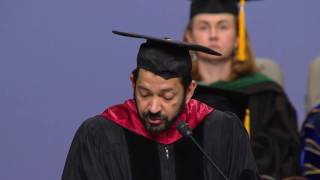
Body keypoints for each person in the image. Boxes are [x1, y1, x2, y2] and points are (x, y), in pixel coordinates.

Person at [61, 30, 259, 180]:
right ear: (133, 82)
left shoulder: (223, 131)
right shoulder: (99, 135)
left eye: (167, 96)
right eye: (144, 93)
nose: (154, 107)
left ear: (189, 91)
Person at [183, 0, 301, 179]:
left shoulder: (266, 95)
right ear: (189, 37)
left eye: (223, 27)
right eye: (204, 27)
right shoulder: (176, 96)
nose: (213, 35)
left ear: (238, 37)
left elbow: (284, 162)